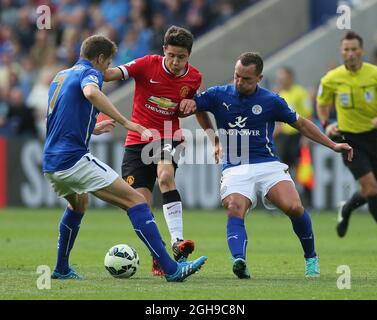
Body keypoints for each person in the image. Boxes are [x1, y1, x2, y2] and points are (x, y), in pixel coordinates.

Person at [43, 34, 206, 281]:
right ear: (100, 59)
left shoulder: (61, 76)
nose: (107, 68)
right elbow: (91, 92)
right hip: (74, 160)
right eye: (107, 63)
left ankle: (61, 268)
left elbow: (58, 115)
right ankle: (172, 270)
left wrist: (91, 128)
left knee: (78, 204)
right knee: (137, 202)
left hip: (51, 163)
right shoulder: (92, 73)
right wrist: (127, 123)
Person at [180, 52, 353, 279]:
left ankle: (311, 257)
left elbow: (301, 124)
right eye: (236, 76)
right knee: (234, 207)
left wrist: (332, 144)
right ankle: (239, 260)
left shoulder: (271, 101)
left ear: (259, 78)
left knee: (294, 207)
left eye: (246, 79)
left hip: (267, 163)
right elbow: (197, 107)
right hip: (235, 165)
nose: (239, 82)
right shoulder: (218, 94)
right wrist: (212, 137)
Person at [103, 26, 201, 275]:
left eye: (181, 57)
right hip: (137, 139)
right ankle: (158, 257)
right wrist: (92, 69)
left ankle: (177, 242)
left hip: (169, 134)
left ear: (189, 55)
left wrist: (192, 103)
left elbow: (185, 105)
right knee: (140, 205)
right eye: (171, 55)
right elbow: (113, 74)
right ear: (164, 51)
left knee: (166, 176)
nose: (176, 62)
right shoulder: (147, 64)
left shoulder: (194, 78)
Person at [317, 31, 377, 244]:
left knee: (369, 189)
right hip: (348, 139)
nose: (350, 54)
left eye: (354, 49)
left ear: (362, 50)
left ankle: (346, 209)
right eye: (346, 50)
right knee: (372, 188)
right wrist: (326, 124)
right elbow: (322, 103)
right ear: (342, 52)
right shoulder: (332, 78)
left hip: (373, 137)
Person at [273, 67, 313, 206]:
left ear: (290, 77)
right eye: (279, 78)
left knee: (303, 169)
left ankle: (308, 203)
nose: (280, 80)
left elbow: (308, 115)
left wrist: (306, 137)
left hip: (297, 135)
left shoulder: (300, 93)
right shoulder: (279, 93)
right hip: (283, 137)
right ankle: (282, 203)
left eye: (283, 78)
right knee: (281, 170)